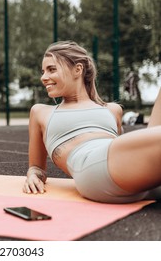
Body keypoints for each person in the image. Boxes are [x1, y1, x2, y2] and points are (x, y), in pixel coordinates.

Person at [23, 40, 161, 203]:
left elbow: (127, 150)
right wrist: (33, 175)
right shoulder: (41, 112)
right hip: (92, 168)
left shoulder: (112, 109)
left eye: (51, 69)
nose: (44, 77)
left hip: (133, 176)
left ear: (78, 69)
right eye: (43, 71)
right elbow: (37, 168)